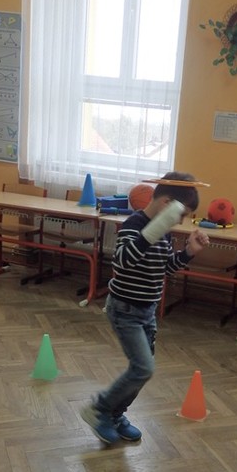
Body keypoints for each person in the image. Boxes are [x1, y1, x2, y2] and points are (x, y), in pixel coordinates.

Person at [81, 172, 210, 445]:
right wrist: (153, 231)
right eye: (181, 214)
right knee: (143, 368)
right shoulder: (134, 225)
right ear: (166, 204)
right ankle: (99, 409)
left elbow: (164, 268)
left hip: (146, 311)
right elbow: (122, 261)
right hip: (124, 309)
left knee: (141, 371)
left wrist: (189, 252)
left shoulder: (163, 232)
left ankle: (116, 415)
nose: (181, 221)